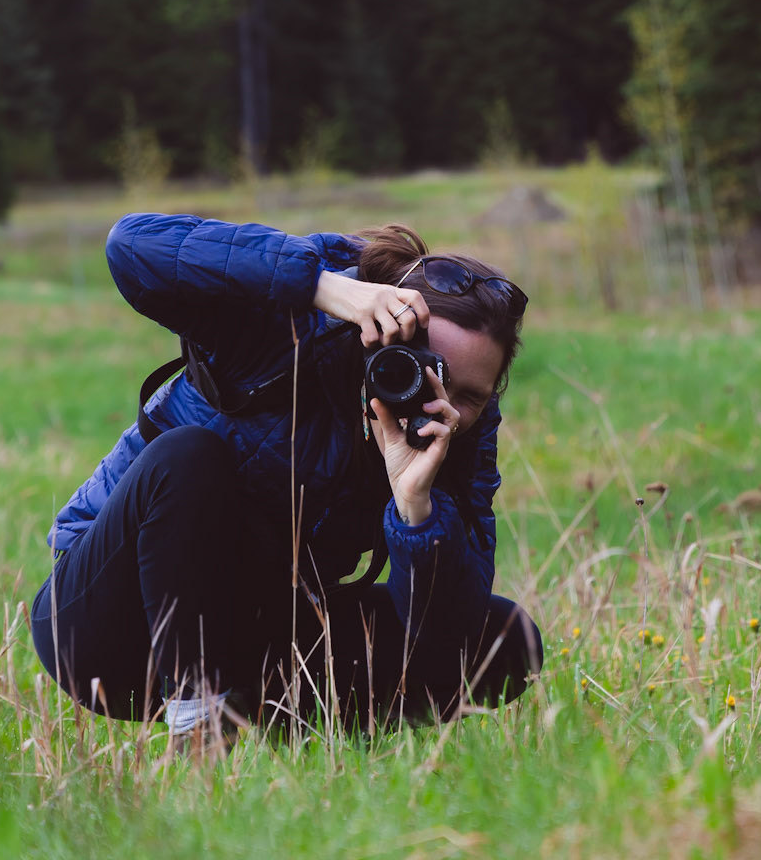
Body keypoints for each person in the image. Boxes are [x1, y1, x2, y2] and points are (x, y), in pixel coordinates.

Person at [30, 212, 543, 737]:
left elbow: (448, 635)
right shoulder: (291, 326)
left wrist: (416, 508)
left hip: (261, 628)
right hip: (109, 627)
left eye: (471, 395)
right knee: (187, 456)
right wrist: (324, 288)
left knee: (507, 640)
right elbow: (131, 245)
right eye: (428, 369)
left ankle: (270, 724)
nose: (437, 400)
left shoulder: (456, 434)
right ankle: (199, 729)